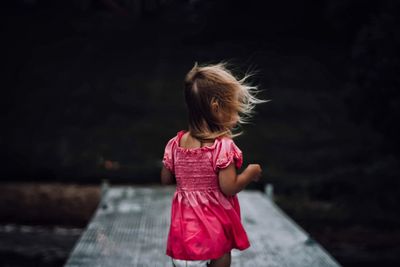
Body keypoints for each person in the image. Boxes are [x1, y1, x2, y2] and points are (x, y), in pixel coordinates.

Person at [161, 62, 266, 267]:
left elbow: (166, 179)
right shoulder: (222, 148)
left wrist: (187, 175)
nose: (236, 118)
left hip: (182, 239)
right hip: (213, 238)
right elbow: (229, 187)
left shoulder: (174, 144)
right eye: (234, 110)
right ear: (216, 108)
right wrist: (250, 173)